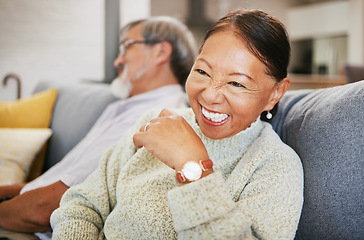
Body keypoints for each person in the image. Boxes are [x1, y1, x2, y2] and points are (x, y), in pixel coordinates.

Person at [51, 9, 304, 240]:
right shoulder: (155, 121)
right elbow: (83, 203)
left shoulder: (275, 165)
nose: (209, 95)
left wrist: (193, 168)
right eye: (203, 72)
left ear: (275, 93)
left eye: (236, 83)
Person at [0, 16, 196, 237]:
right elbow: (56, 181)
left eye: (127, 47)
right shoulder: (124, 108)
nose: (118, 61)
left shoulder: (156, 118)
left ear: (160, 52)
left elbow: (49, 206)